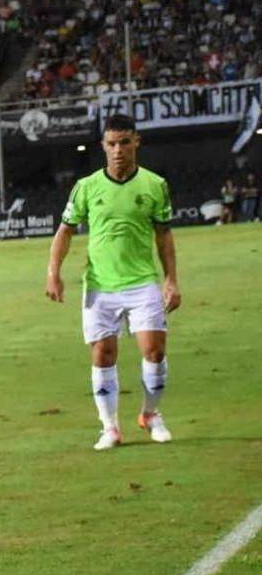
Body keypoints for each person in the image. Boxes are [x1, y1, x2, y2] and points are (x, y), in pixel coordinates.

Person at [46, 114, 180, 450]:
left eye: (124, 142)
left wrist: (171, 280)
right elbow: (65, 231)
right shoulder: (86, 187)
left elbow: (164, 235)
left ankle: (150, 414)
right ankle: (110, 427)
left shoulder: (155, 185)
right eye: (112, 144)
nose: (118, 150)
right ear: (103, 146)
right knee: (103, 354)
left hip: (142, 282)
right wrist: (53, 273)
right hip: (100, 286)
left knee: (154, 350)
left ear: (136, 142)